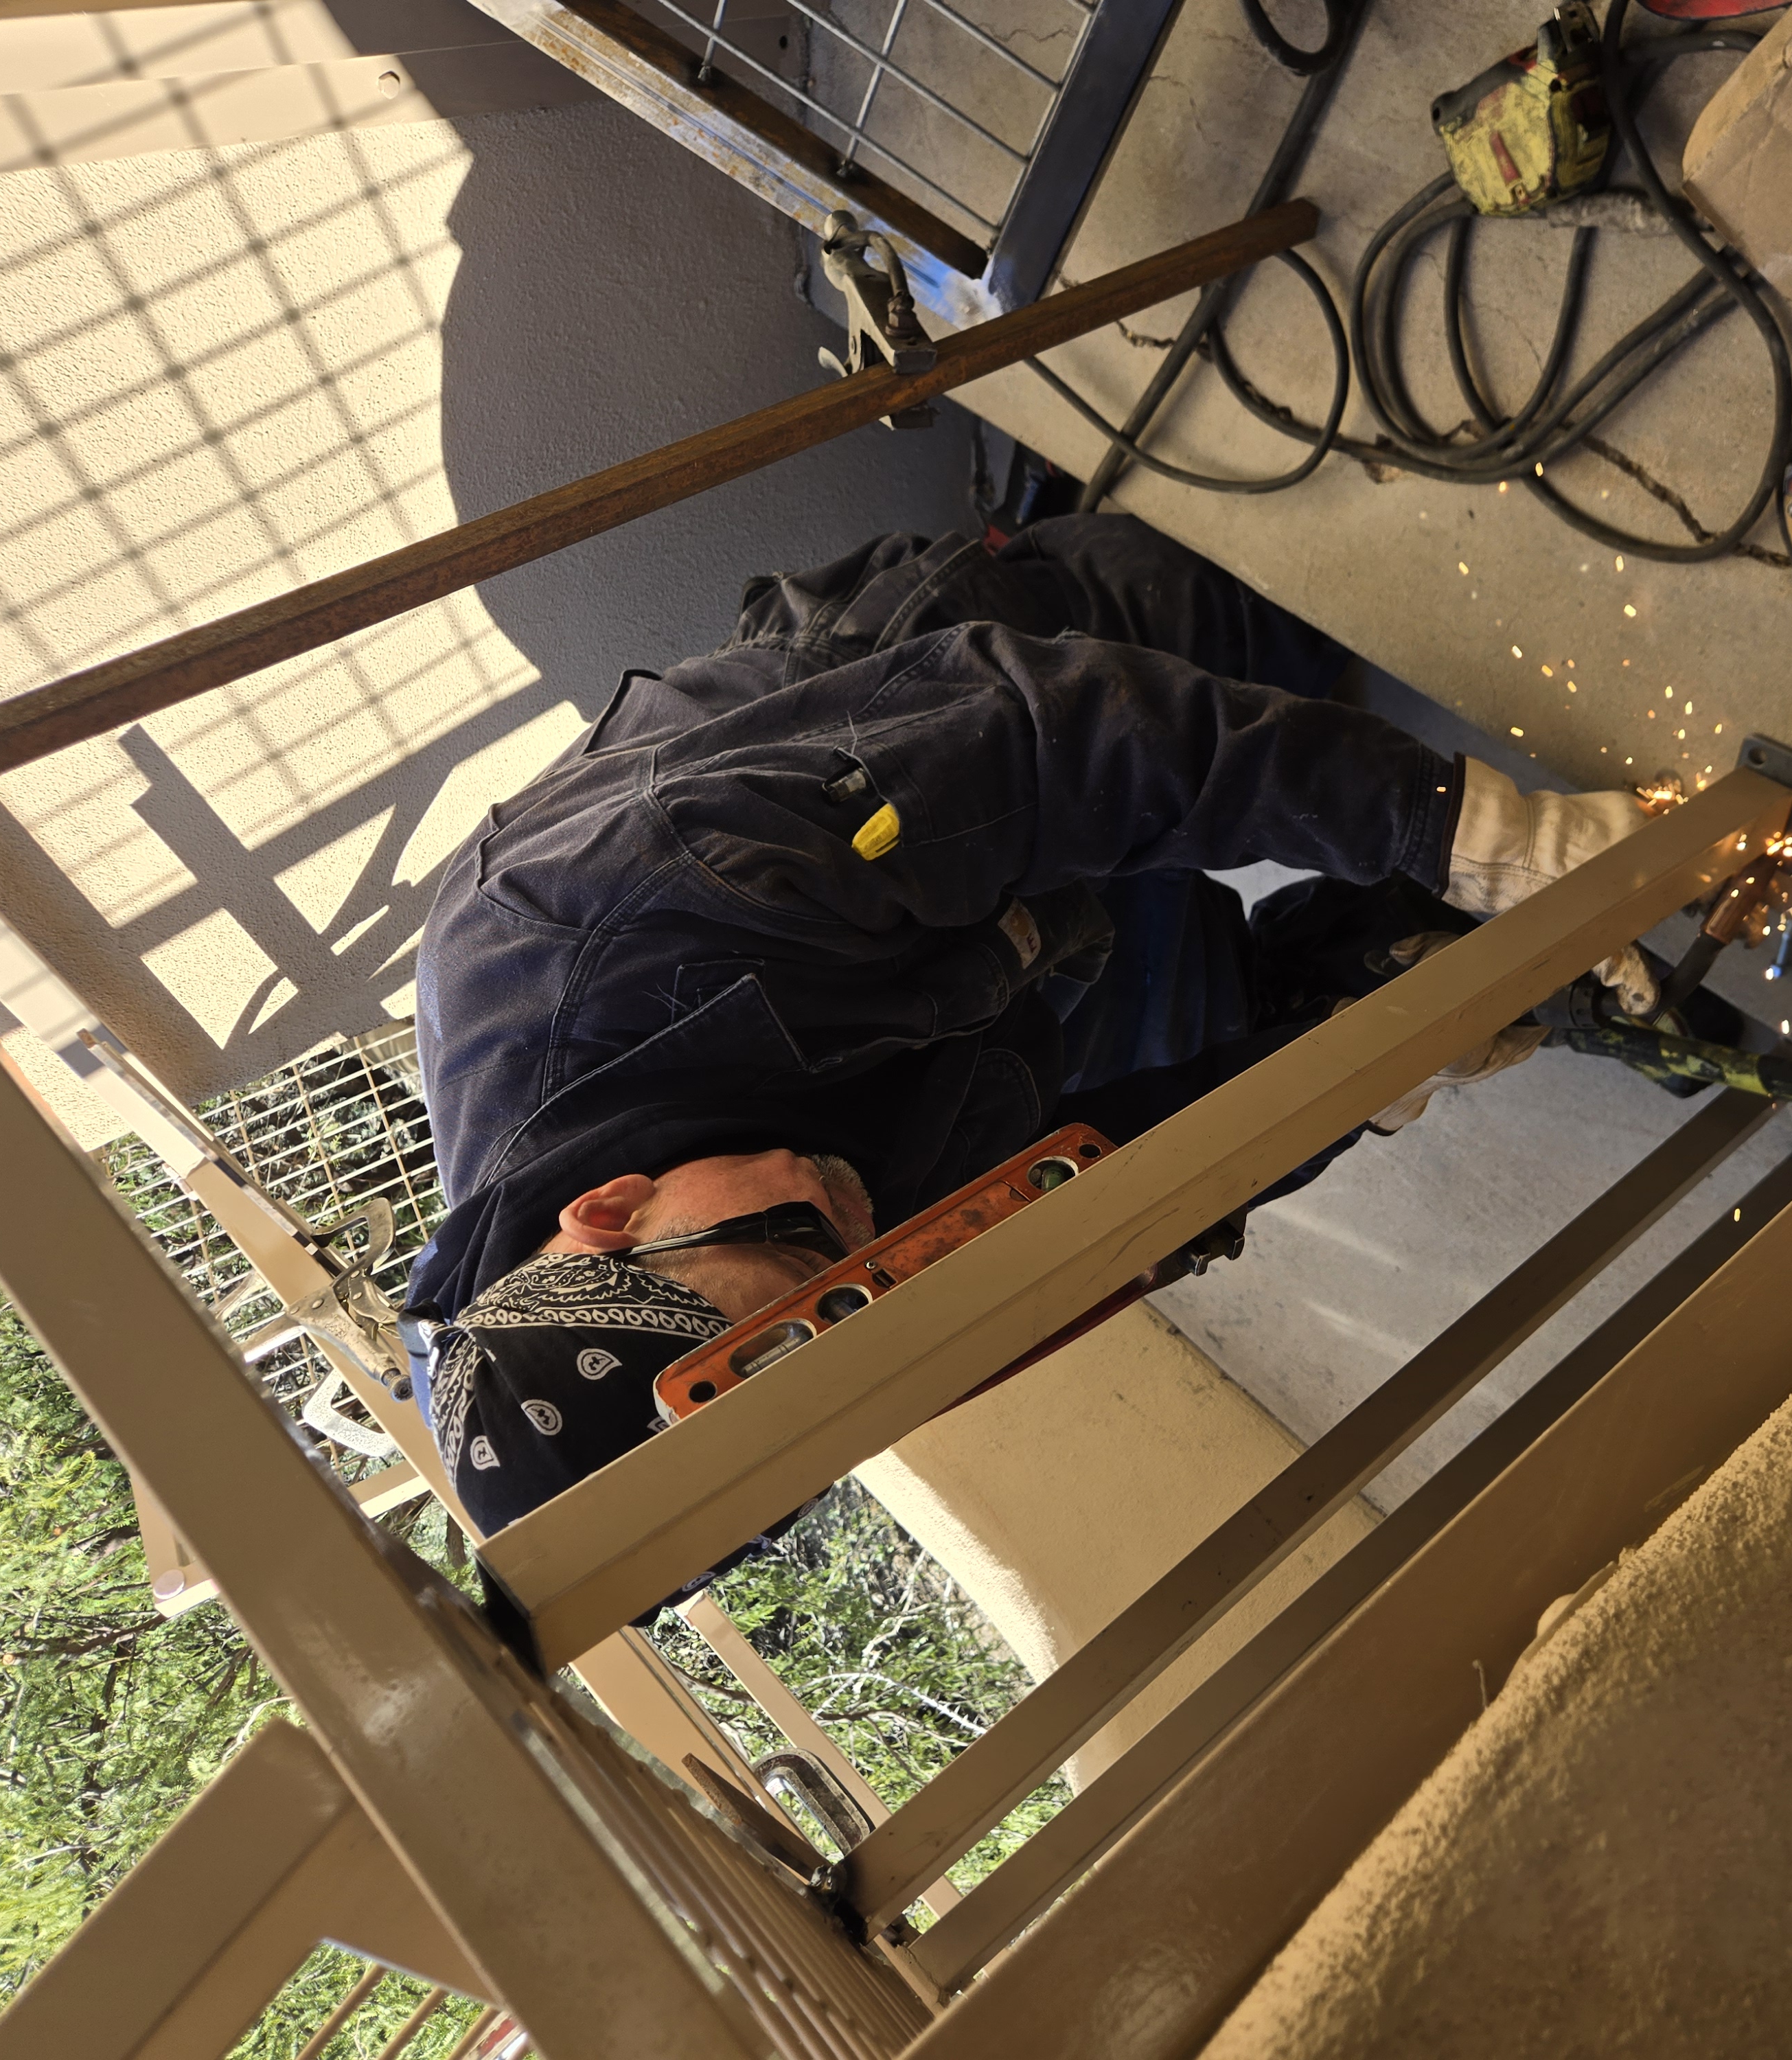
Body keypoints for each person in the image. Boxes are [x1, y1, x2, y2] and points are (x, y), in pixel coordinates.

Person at [400, 514, 1662, 1537]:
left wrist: (1473, 831)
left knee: (1289, 612)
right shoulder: (790, 1339)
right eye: (855, 1294)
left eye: (802, 1245)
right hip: (973, 1001)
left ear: (611, 1213)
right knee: (1309, 1002)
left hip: (900, 723)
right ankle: (1395, 937)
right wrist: (1377, 1064)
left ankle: (1411, 829)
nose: (859, 1240)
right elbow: (1135, 1193)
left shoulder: (617, 928)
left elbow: (1053, 746)